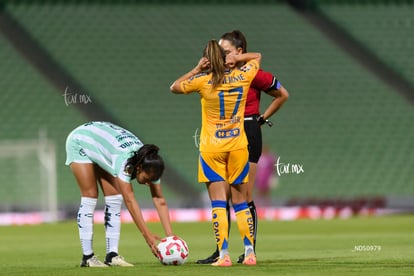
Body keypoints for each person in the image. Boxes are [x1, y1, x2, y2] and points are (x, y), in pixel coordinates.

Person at [196, 30, 289, 264]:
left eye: (226, 52)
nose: (222, 56)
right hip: (223, 134)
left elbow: (282, 94)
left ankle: (250, 250)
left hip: (247, 129)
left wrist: (261, 118)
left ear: (239, 52)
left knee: (244, 194)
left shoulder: (251, 74)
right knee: (222, 194)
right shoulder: (217, 75)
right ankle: (221, 250)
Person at [170, 40, 261, 266]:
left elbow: (174, 86)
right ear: (225, 58)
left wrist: (196, 69)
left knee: (219, 203)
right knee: (241, 202)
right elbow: (257, 57)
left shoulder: (202, 81)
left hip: (212, 148)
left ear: (207, 61)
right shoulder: (243, 76)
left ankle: (224, 255)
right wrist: (237, 59)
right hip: (238, 146)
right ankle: (250, 253)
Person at [65, 121, 174, 267]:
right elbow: (130, 200)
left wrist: (170, 237)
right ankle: (88, 258)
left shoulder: (152, 164)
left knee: (114, 198)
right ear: (139, 167)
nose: (149, 183)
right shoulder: (124, 161)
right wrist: (147, 236)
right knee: (90, 194)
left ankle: (112, 256)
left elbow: (159, 200)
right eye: (147, 179)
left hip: (102, 144)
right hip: (81, 141)